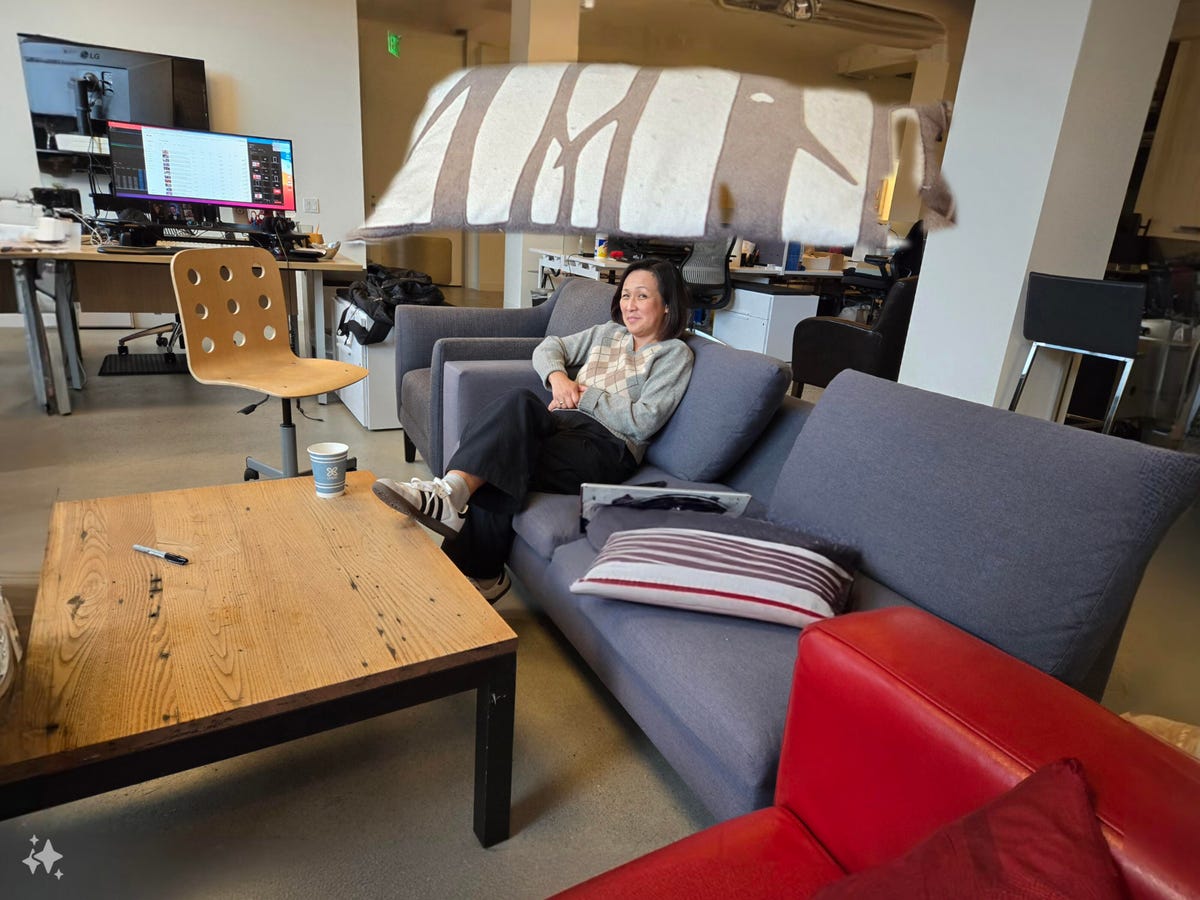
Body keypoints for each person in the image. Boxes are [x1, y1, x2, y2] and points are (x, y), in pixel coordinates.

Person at [373, 257, 695, 601]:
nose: (629, 305)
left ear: (667, 306)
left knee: (499, 452)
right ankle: (456, 505)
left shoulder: (673, 355)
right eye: (626, 295)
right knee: (516, 407)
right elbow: (549, 346)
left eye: (642, 296)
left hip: (607, 447)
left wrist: (582, 394)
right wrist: (558, 378)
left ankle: (461, 525)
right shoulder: (609, 333)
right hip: (560, 424)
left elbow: (644, 421)